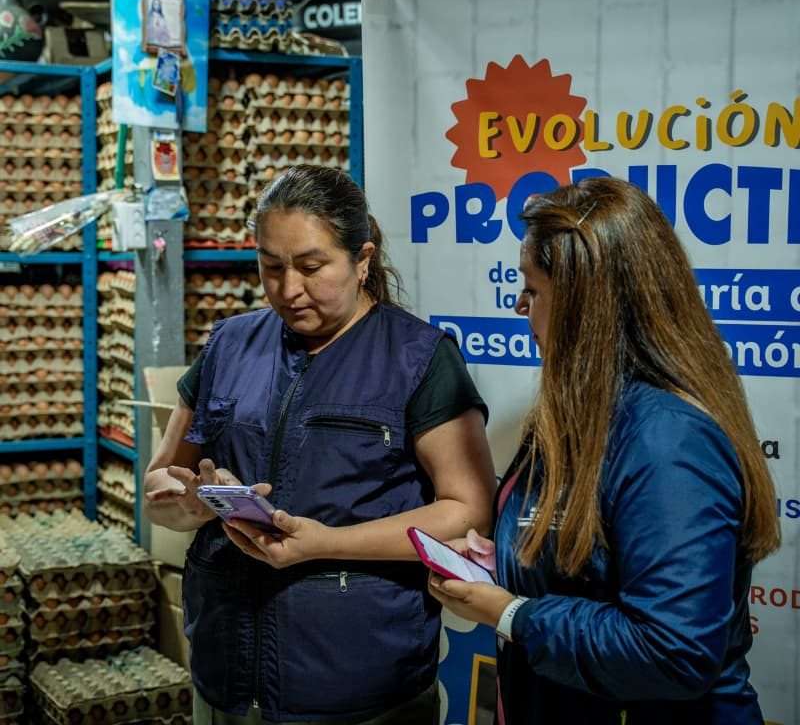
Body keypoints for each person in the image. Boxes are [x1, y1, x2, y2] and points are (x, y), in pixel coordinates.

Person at [143, 164, 497, 724]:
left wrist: (326, 542)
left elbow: (467, 512)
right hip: (224, 678)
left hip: (363, 686)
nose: (288, 289)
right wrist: (184, 502)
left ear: (362, 259)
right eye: (270, 267)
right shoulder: (229, 345)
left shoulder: (419, 358)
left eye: (311, 267)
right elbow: (161, 476)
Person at [428, 176, 780, 725]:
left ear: (584, 305)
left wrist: (515, 614)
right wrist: (502, 565)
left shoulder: (669, 441)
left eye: (534, 289)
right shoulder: (578, 414)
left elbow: (672, 650)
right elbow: (586, 564)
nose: (521, 305)